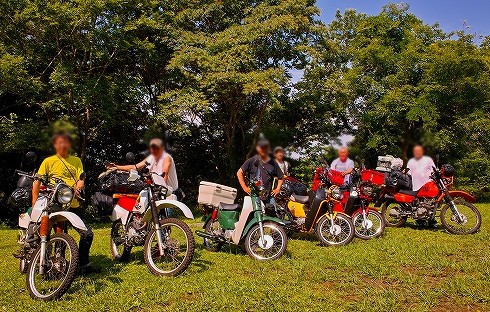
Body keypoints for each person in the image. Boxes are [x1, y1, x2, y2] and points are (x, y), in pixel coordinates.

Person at [31, 132, 98, 274]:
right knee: (49, 234)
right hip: (54, 203)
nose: (63, 145)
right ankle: (45, 262)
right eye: (60, 142)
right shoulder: (48, 161)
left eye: (66, 142)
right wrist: (34, 203)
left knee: (87, 234)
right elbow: (37, 182)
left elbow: (81, 179)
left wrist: (79, 186)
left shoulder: (76, 161)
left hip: (73, 203)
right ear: (55, 145)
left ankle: (83, 264)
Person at [108, 138, 179, 193]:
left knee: (164, 211)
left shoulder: (166, 158)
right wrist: (116, 167)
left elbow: (165, 174)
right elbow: (135, 167)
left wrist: (161, 191)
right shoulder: (151, 157)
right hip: (154, 190)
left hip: (168, 192)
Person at [237, 137, 284, 204]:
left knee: (273, 212)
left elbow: (281, 177)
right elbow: (239, 172)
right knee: (255, 214)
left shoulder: (273, 163)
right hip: (254, 196)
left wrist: (277, 189)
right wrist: (245, 187)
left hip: (268, 197)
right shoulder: (252, 160)